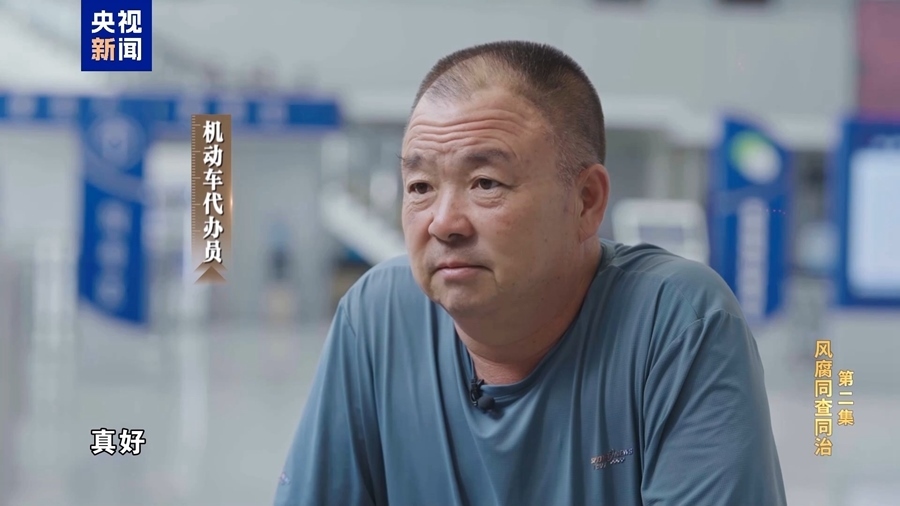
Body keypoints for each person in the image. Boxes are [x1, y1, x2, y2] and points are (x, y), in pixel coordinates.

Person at [274, 41, 786, 506]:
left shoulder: (676, 324)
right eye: (420, 187)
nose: (443, 222)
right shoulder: (378, 316)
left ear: (586, 201)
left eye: (486, 182)